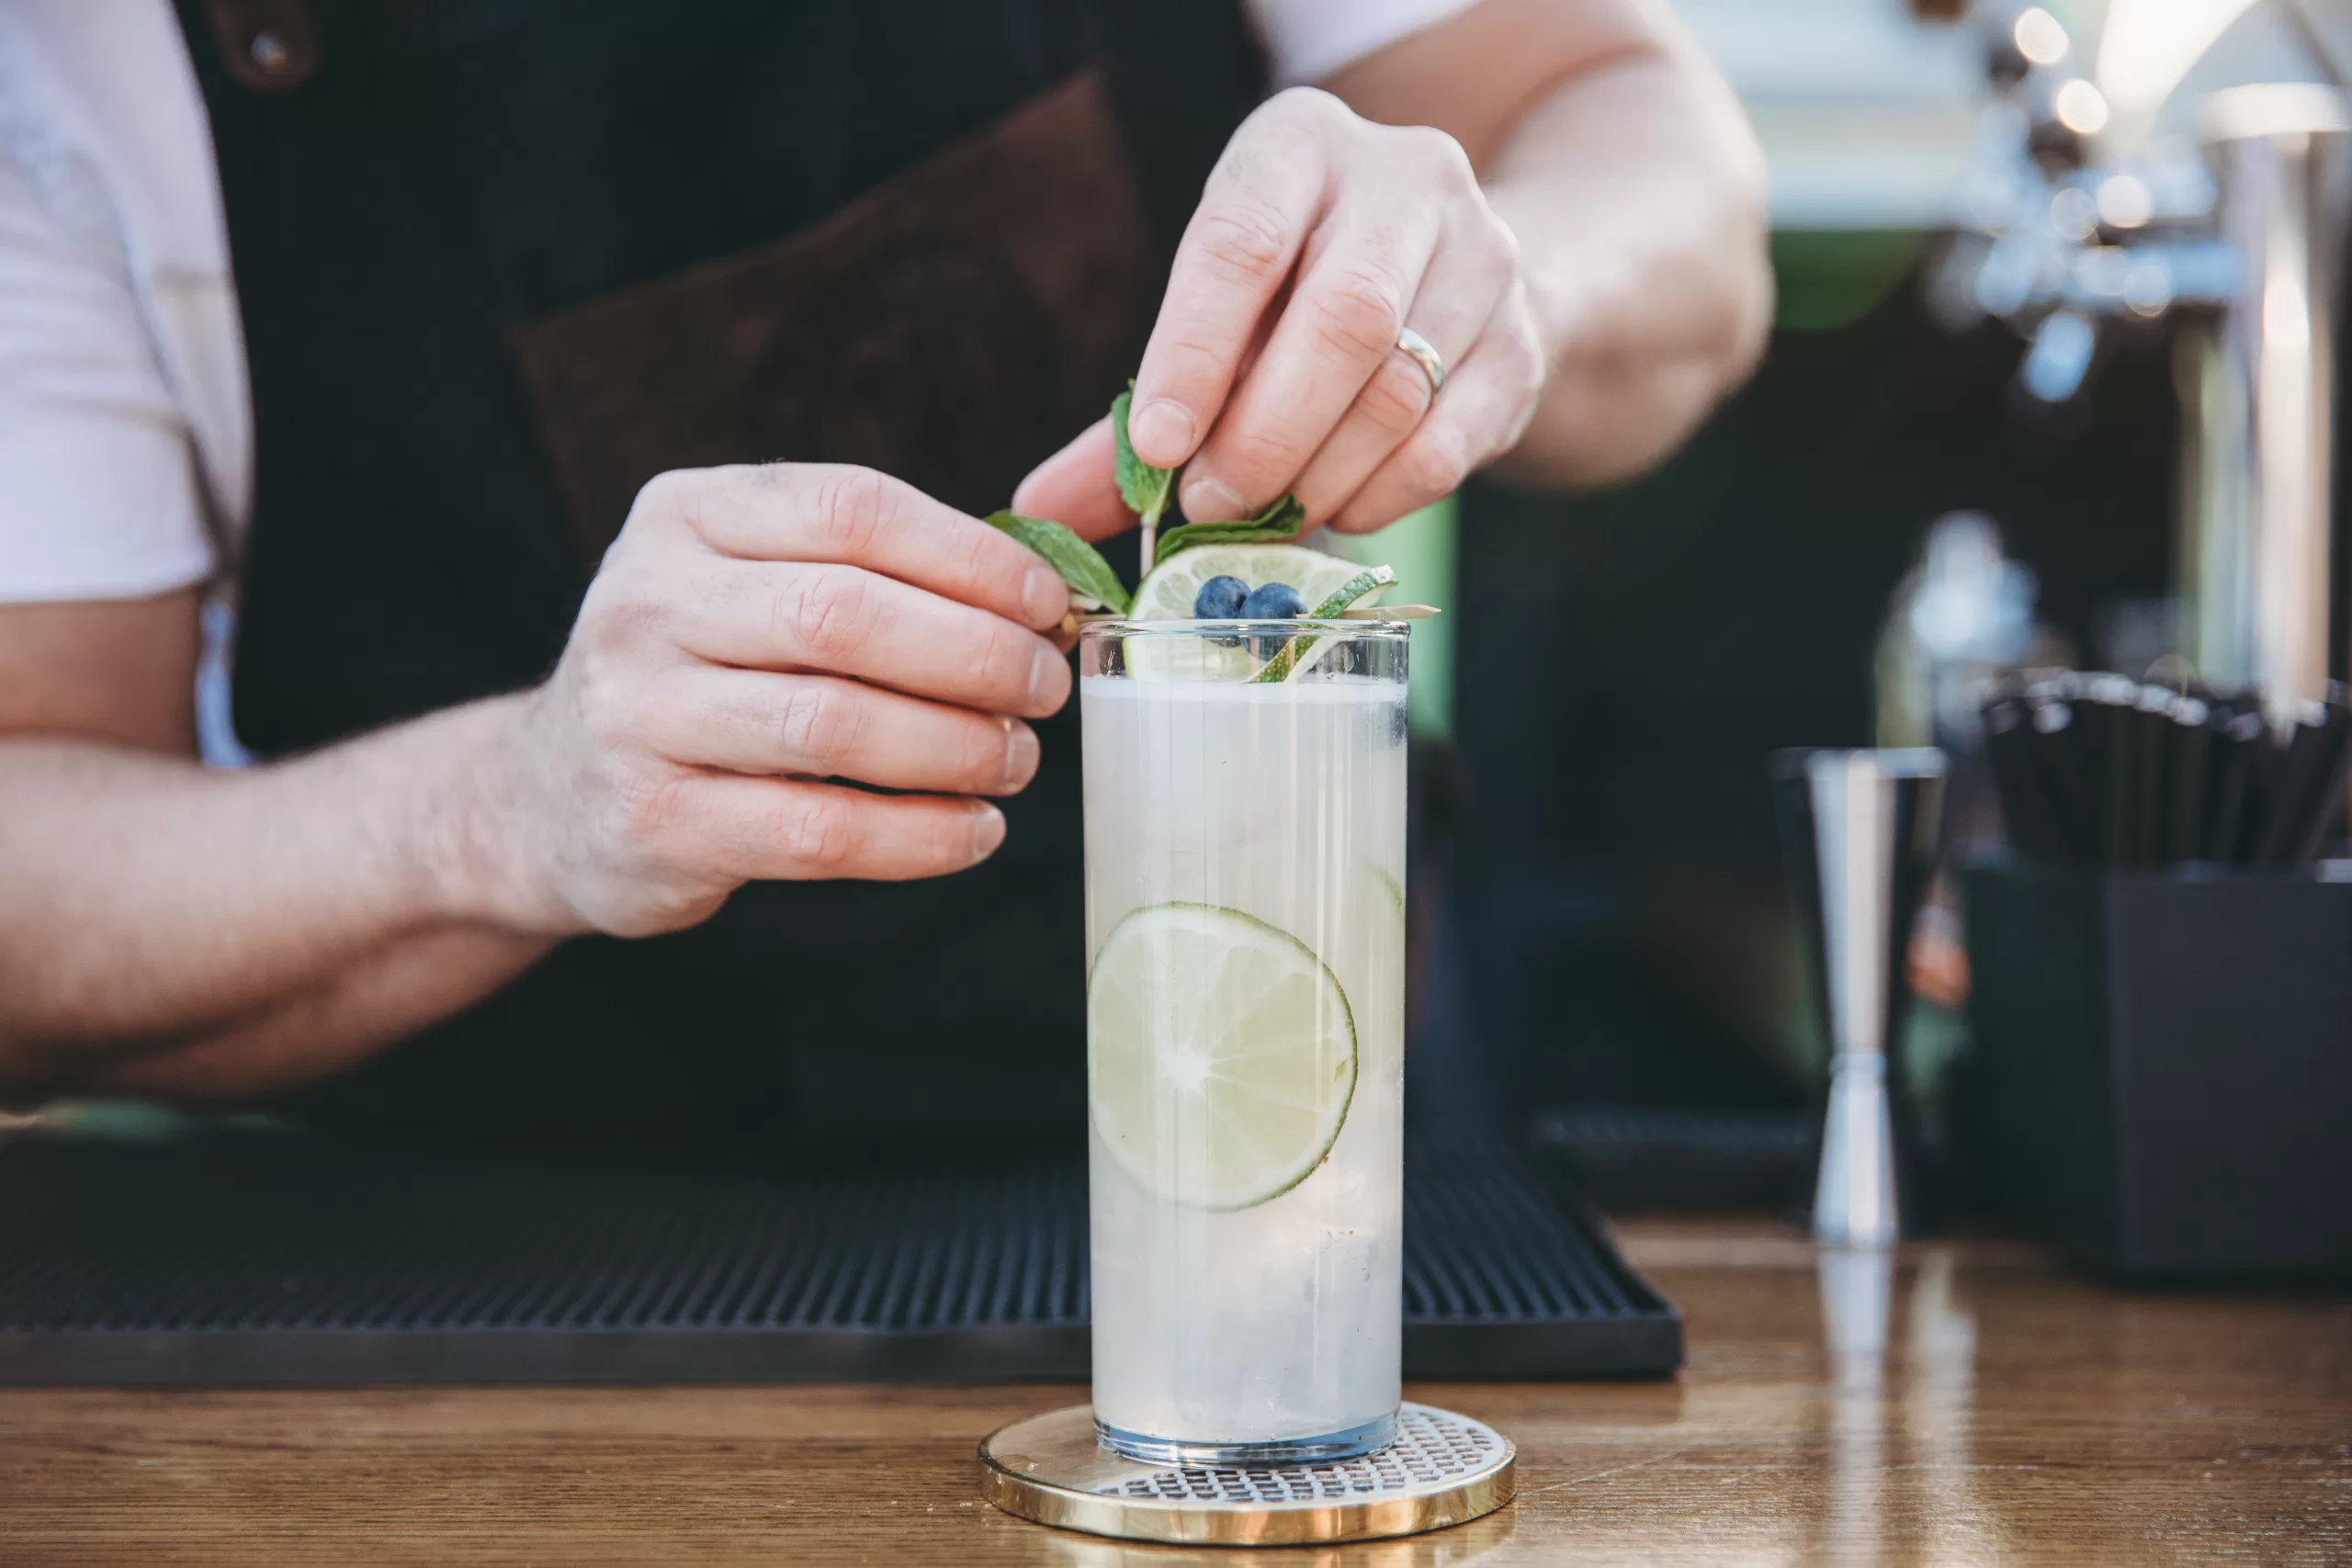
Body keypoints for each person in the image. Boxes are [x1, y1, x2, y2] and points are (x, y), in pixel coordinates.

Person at [0, 0, 1770, 1154]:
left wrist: (1505, 283)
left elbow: (1651, 148)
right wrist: (509, 806)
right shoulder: (70, 64)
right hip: (526, 1278)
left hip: (1296, 1129)